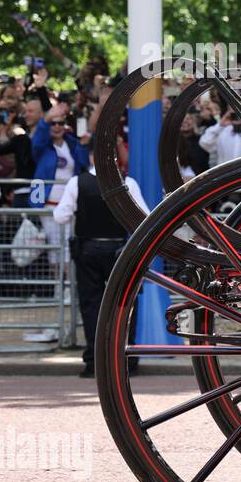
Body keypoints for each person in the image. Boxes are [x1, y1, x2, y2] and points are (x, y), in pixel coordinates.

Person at [53, 158, 148, 377]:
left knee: (91, 305)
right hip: (119, 250)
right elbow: (143, 216)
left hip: (88, 250)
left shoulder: (77, 182)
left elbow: (60, 217)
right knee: (125, 304)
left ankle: (94, 362)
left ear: (90, 158)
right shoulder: (127, 182)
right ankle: (126, 360)